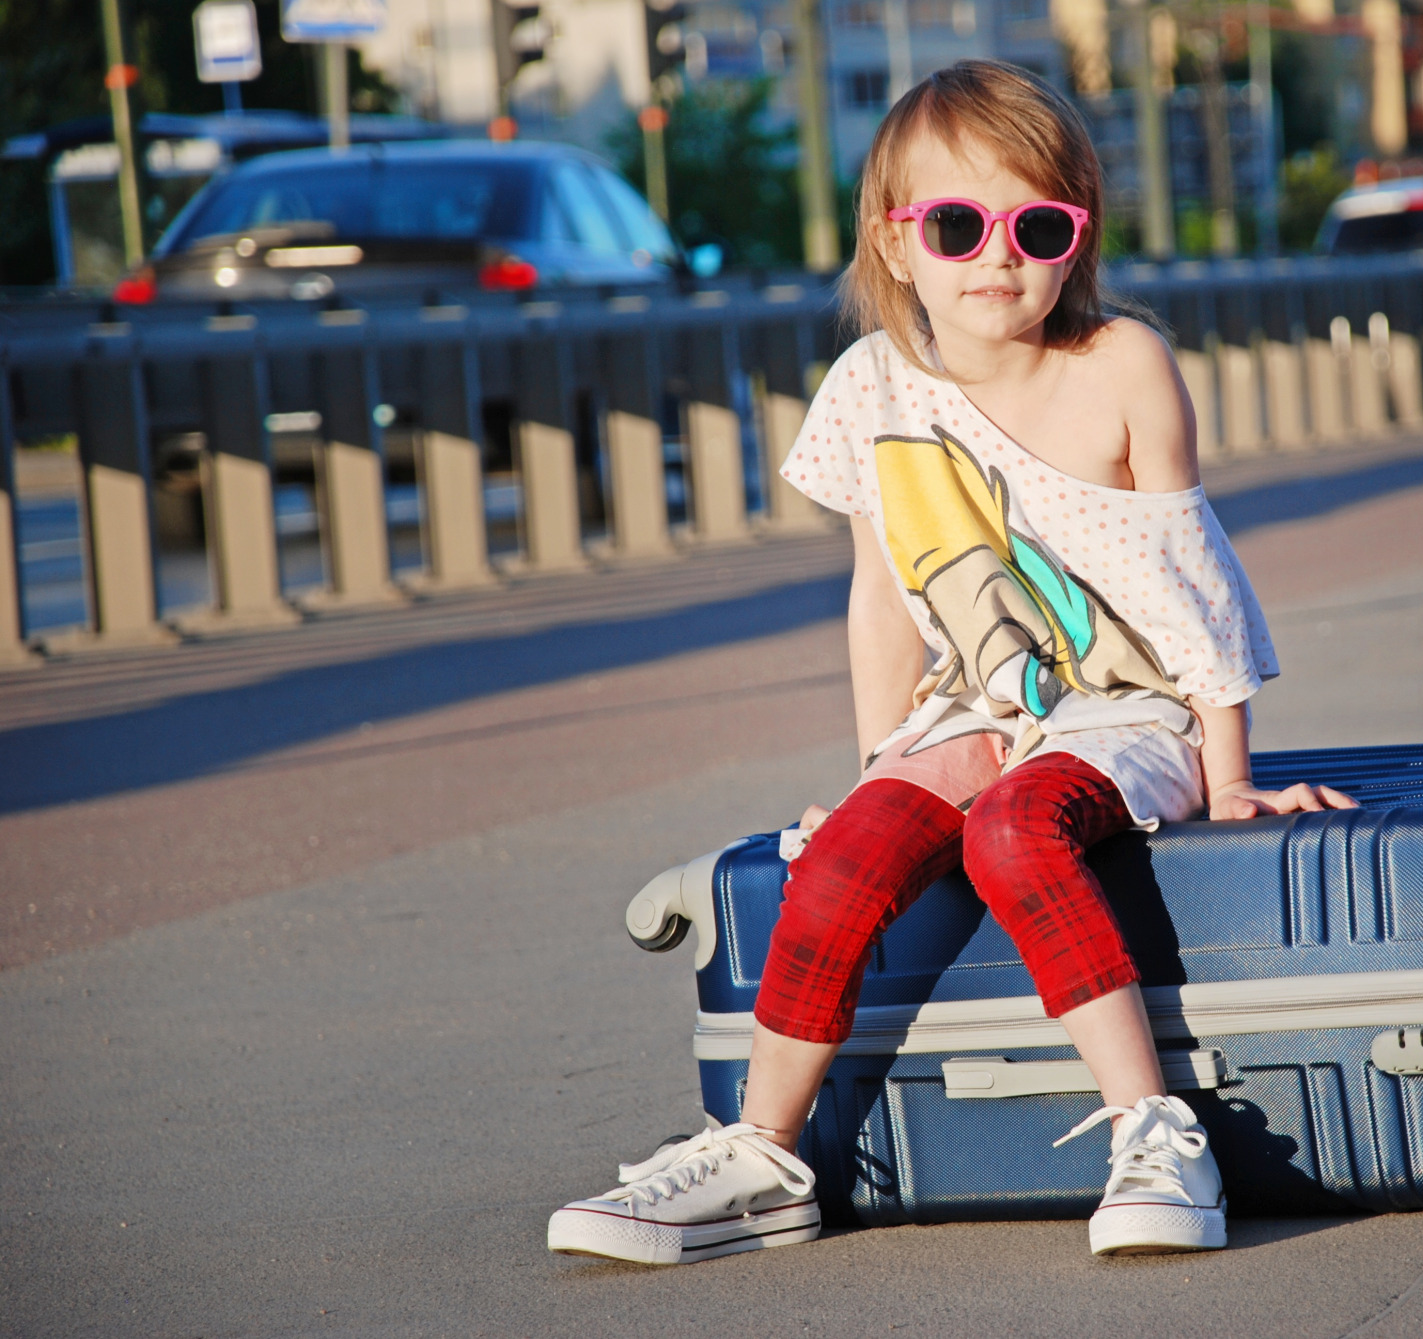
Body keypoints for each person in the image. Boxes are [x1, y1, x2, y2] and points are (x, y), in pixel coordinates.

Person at [547, 59, 1351, 1268]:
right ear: (894, 238)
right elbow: (882, 596)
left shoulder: (1120, 365)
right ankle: (762, 1155)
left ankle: (1153, 1129)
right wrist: (880, 765)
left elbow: (1194, 586)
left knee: (1014, 832)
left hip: (1130, 709)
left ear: (1077, 237)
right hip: (974, 702)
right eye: (958, 226)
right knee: (848, 850)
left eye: (1037, 227)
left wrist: (1228, 777)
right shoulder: (869, 384)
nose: (997, 257)